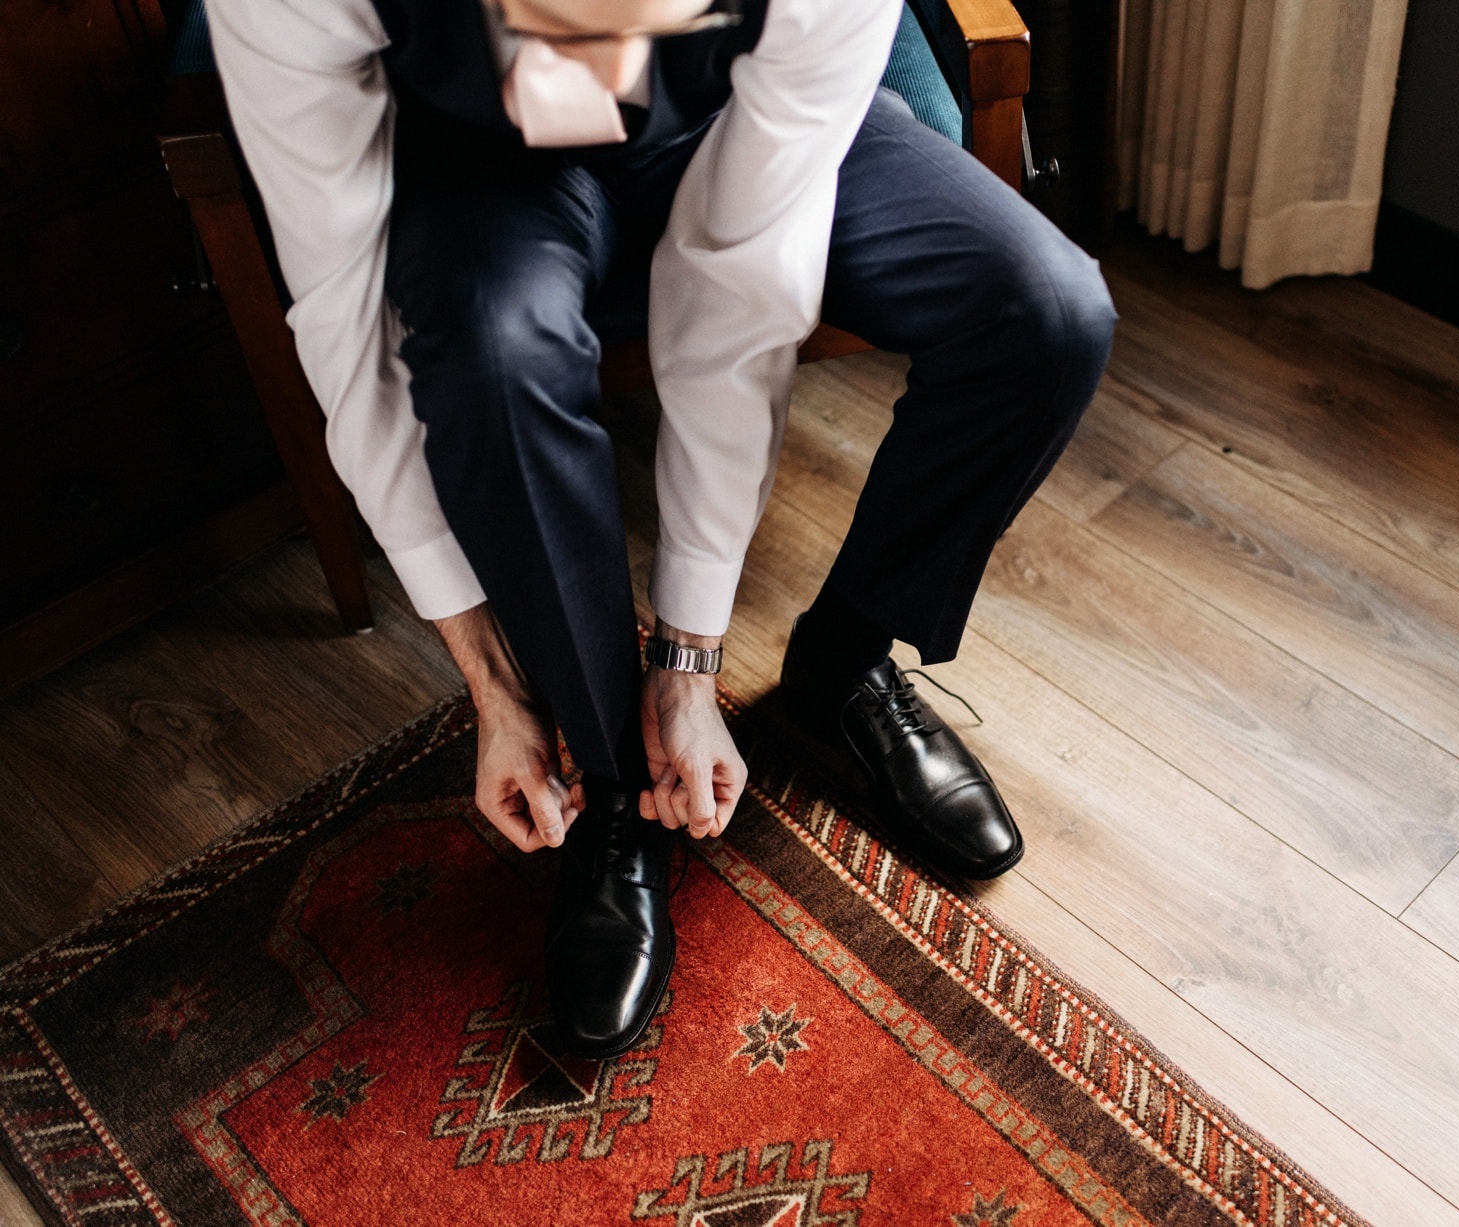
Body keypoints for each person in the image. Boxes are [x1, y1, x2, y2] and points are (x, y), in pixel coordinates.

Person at [206, 0, 1115, 1057]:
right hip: (480, 163)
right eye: (559, 25)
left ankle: (841, 665)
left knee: (1045, 313)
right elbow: (344, 310)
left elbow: (733, 296)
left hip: (749, 112)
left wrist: (689, 657)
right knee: (497, 356)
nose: (604, 82)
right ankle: (616, 792)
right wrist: (490, 679)